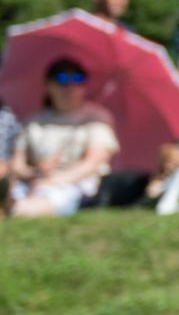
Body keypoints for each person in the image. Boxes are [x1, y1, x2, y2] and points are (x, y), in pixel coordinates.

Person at [9, 57, 120, 216]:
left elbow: (92, 163)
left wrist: (51, 182)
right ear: (48, 86)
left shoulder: (97, 118)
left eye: (77, 79)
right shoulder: (33, 121)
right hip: (34, 182)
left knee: (29, 206)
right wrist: (35, 172)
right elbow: (17, 165)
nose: (70, 86)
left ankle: (14, 210)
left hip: (80, 186)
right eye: (62, 79)